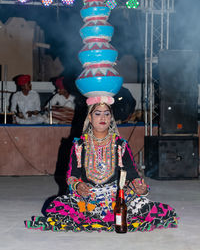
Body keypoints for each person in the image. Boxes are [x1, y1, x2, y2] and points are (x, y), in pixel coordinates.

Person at [25, 97, 179, 232]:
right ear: (90, 118)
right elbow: (72, 175)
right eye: (97, 113)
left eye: (107, 113)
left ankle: (107, 216)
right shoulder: (79, 145)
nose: (102, 117)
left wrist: (140, 187)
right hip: (88, 197)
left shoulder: (121, 145)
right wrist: (78, 186)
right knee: (56, 207)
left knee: (154, 211)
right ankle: (103, 216)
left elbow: (132, 173)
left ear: (111, 118)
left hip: (115, 198)